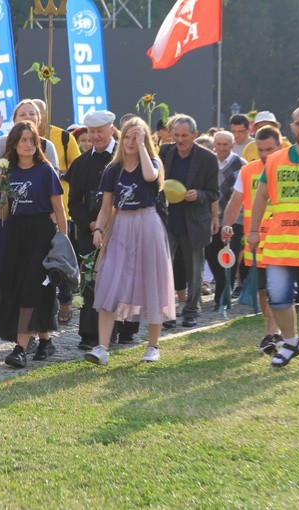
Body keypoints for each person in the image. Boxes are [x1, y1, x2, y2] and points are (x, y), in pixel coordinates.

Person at [247, 106, 299, 371]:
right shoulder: (274, 161)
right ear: (292, 127)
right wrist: (253, 230)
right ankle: (292, 343)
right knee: (278, 300)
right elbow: (261, 196)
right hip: (280, 244)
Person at [85, 117, 175, 365]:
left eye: (136, 137)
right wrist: (99, 229)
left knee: (152, 282)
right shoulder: (113, 171)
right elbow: (106, 207)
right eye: (127, 136)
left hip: (147, 224)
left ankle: (153, 346)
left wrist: (144, 146)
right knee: (109, 280)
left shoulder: (153, 162)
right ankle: (102, 347)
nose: (130, 142)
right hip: (121, 225)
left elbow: (149, 177)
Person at [0, 120, 67, 368]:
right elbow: (3, 215)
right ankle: (45, 341)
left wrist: (62, 243)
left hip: (41, 233)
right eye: (23, 140)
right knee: (27, 287)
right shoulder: (8, 171)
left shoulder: (46, 171)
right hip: (17, 233)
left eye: (32, 140)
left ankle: (20, 348)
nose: (28, 145)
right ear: (14, 144)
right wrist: (2, 189)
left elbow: (59, 208)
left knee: (30, 287)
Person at [67, 110, 140, 349]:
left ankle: (126, 329)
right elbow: (74, 201)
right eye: (91, 131)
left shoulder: (127, 155)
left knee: (125, 279)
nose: (95, 136)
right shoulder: (81, 162)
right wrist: (91, 225)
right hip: (92, 232)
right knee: (92, 282)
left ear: (111, 130)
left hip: (124, 228)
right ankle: (90, 335)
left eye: (100, 131)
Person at [221, 125, 284, 354]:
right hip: (255, 242)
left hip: (282, 241)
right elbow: (235, 201)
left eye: (270, 149)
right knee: (263, 291)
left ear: (280, 146)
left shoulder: (288, 169)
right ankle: (276, 330)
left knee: (277, 289)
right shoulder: (248, 171)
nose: (265, 155)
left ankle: (270, 334)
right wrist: (227, 225)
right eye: (260, 150)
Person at [161, 115, 219, 328]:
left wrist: (199, 194)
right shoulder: (165, 152)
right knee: (165, 266)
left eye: (184, 136)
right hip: (169, 218)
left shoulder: (207, 158)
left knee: (194, 269)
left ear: (195, 135)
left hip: (194, 220)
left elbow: (214, 192)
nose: (180, 140)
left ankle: (191, 311)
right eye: (176, 135)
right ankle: (167, 310)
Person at [33, 99, 81, 324]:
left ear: (43, 115)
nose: (34, 118)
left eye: (37, 113)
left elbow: (77, 167)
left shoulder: (62, 137)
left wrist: (56, 174)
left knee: (60, 257)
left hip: (61, 207)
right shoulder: (22, 140)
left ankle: (65, 300)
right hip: (35, 211)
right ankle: (44, 306)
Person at [204, 131, 246, 307]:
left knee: (230, 256)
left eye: (225, 144)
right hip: (212, 219)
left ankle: (222, 298)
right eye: (218, 144)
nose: (221, 148)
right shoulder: (209, 162)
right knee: (211, 254)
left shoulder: (241, 165)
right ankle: (223, 289)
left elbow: (240, 196)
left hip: (235, 220)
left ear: (232, 145)